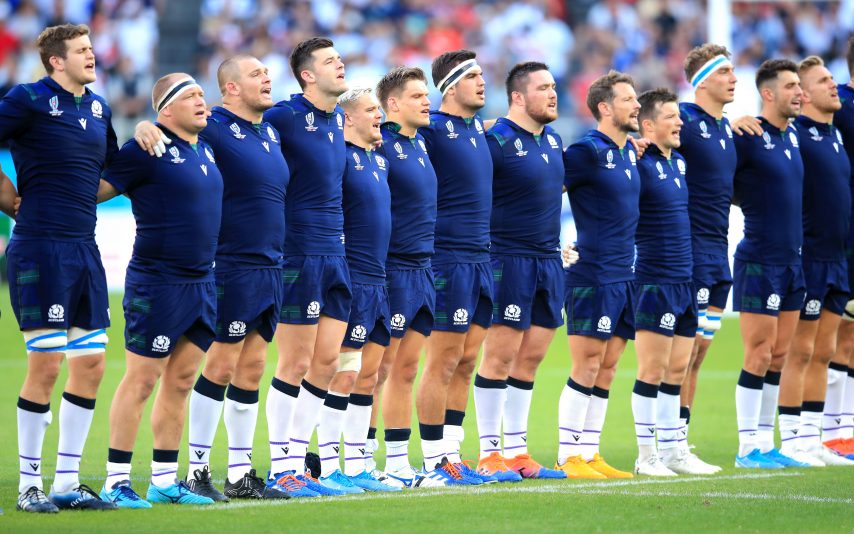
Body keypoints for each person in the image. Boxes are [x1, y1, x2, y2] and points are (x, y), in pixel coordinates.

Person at [1, 23, 118, 513]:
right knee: (46, 365)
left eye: (91, 48)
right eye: (82, 50)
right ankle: (29, 485)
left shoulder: (99, 107)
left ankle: (66, 483)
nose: (92, 56)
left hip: (84, 249)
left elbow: (112, 174)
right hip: (40, 248)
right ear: (56, 60)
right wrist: (8, 198)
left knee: (90, 365)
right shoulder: (27, 98)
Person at [97, 73, 221, 507]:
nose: (202, 100)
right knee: (142, 380)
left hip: (202, 283)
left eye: (203, 93)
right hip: (158, 282)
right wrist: (138, 129)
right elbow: (98, 189)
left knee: (182, 381)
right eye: (191, 96)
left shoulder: (205, 147)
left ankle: (165, 481)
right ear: (166, 109)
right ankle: (115, 481)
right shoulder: (145, 149)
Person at [179, 55, 297, 500]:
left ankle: (241, 474)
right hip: (231, 263)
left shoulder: (269, 132)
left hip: (271, 265)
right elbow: (168, 135)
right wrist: (148, 128)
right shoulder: (212, 127)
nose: (267, 78)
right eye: (256, 74)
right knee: (221, 365)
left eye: (267, 72)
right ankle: (196, 470)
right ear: (230, 88)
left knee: (252, 368)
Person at [374, 67, 477, 487]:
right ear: (393, 104)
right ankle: (365, 462)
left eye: (426, 95)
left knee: (405, 370)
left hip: (423, 268)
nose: (426, 102)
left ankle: (412, 463)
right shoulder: (380, 143)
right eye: (417, 96)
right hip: (391, 269)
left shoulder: (420, 143)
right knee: (378, 371)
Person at [262, 37, 351, 496]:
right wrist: (149, 125)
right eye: (330, 61)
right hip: (298, 254)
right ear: (308, 75)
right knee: (295, 361)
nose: (341, 64)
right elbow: (226, 128)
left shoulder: (339, 118)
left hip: (336, 254)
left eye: (340, 58)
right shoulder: (284, 116)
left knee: (328, 362)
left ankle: (300, 464)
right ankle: (280, 468)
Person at [472, 61, 566, 482]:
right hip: (507, 260)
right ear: (517, 97)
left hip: (549, 262)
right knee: (500, 356)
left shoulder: (555, 140)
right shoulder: (492, 140)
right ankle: (489, 453)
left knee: (530, 359)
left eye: (554, 86)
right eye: (543, 88)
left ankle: (517, 453)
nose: (553, 94)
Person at [311, 86, 400, 493]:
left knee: (369, 377)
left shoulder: (379, 160)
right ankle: (327, 466)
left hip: (380, 281)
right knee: (343, 375)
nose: (379, 115)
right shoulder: (340, 159)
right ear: (347, 118)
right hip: (353, 280)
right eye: (370, 110)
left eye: (379, 109)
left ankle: (357, 462)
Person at [415, 50, 493, 472]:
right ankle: (434, 461)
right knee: (442, 362)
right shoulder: (430, 129)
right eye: (473, 76)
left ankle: (452, 453)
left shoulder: (478, 128)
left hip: (482, 260)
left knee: (466, 363)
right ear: (450, 87)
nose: (482, 82)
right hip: (447, 259)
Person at [631, 88, 717, 475]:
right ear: (649, 125)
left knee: (678, 369)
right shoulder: (639, 162)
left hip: (685, 279)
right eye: (670, 116)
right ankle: (646, 455)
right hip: (654, 279)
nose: (680, 122)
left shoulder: (679, 162)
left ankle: (672, 451)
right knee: (652, 370)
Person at [560, 70, 640, 479]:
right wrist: (551, 244)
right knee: (587, 364)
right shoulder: (586, 151)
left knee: (608, 366)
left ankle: (590, 453)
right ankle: (567, 455)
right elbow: (542, 190)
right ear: (605, 108)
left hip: (624, 273)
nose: (637, 105)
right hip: (591, 273)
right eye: (628, 99)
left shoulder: (629, 152)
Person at [731, 59, 806, 469]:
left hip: (793, 261)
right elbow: (715, 176)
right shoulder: (747, 136)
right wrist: (731, 125)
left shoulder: (791, 135)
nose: (800, 92)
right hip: (760, 260)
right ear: (768, 93)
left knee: (779, 355)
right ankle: (746, 448)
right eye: (791, 86)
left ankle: (765, 442)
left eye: (800, 85)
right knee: (758, 353)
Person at [779, 56, 853, 466]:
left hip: (837, 259)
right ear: (804, 94)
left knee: (824, 351)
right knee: (801, 351)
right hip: (808, 259)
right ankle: (792, 440)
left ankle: (813, 439)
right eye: (824, 80)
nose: (833, 85)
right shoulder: (796, 137)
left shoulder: (834, 134)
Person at [676, 45, 737, 473]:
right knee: (683, 353)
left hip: (719, 252)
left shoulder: (728, 127)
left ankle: (680, 439)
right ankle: (668, 443)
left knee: (699, 354)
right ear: (702, 81)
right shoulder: (683, 118)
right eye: (725, 72)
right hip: (691, 251)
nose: (734, 79)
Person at [824, 37, 854, 459]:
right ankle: (832, 430)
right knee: (840, 333)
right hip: (843, 236)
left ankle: (846, 428)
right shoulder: (840, 106)